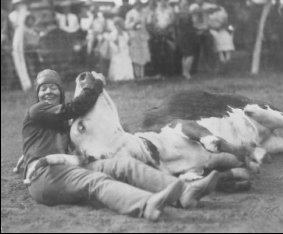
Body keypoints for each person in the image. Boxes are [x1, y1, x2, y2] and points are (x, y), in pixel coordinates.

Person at [22, 70, 220, 221]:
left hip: (64, 168)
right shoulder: (37, 110)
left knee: (123, 164)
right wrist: (94, 87)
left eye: (53, 87)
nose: (48, 91)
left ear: (60, 91)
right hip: (44, 176)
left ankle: (185, 193)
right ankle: (146, 204)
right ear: (37, 95)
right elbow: (74, 108)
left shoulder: (64, 123)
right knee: (96, 181)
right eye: (43, 88)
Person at [9, 0, 33, 90]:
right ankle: (25, 85)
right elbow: (15, 27)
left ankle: (29, 83)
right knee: (18, 59)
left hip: (26, 40)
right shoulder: (12, 15)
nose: (18, 5)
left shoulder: (26, 13)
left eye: (19, 3)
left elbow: (29, 25)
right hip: (17, 41)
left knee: (26, 62)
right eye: (16, 4)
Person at [125, 0, 151, 79]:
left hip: (142, 36)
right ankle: (137, 75)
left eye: (140, 5)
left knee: (143, 55)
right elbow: (126, 25)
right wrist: (134, 23)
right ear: (134, 5)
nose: (138, 6)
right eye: (137, 4)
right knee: (135, 56)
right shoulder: (130, 13)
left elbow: (147, 24)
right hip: (134, 36)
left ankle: (142, 75)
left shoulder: (144, 13)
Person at [207, 0, 234, 65]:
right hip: (211, 29)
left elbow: (225, 19)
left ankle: (228, 58)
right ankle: (221, 58)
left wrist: (222, 25)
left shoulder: (221, 9)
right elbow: (207, 21)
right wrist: (213, 27)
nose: (214, 1)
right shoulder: (208, 8)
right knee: (216, 38)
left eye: (215, 0)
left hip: (221, 28)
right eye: (212, 0)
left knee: (227, 37)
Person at [175, 0, 199, 79]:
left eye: (186, 1)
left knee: (185, 55)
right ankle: (187, 73)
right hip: (187, 35)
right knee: (190, 54)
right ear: (180, 3)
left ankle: (184, 72)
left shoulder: (179, 13)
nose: (185, 2)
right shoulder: (188, 13)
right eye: (183, 1)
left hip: (182, 35)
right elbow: (194, 23)